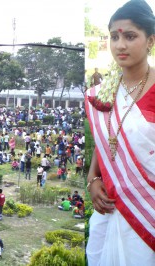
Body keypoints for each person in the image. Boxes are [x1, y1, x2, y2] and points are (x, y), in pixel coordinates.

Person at [85, 2, 155, 263]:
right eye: (114, 36)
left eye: (130, 36)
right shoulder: (102, 92)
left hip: (147, 207)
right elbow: (107, 141)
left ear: (150, 40)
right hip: (109, 206)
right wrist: (93, 179)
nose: (120, 45)